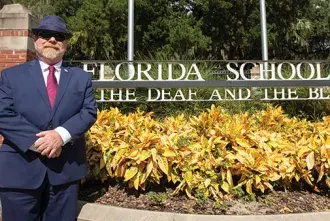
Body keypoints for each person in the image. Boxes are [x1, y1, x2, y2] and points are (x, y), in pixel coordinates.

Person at [0, 15, 97, 221]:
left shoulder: (81, 78)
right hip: (19, 171)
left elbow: (88, 112)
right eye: (46, 34)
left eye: (59, 36)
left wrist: (60, 136)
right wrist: (41, 142)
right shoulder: (11, 76)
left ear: (66, 44)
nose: (52, 40)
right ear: (36, 39)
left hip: (65, 173)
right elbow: (3, 114)